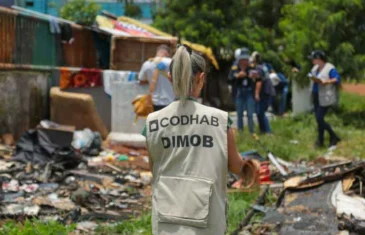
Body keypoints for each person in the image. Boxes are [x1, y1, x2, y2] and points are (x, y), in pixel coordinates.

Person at [143, 45, 256, 235]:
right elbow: (237, 167)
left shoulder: (152, 122)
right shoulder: (220, 120)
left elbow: (153, 168)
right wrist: (251, 167)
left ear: (170, 78)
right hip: (207, 220)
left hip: (166, 218)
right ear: (201, 78)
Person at [309, 50, 341, 148]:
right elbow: (311, 75)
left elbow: (337, 78)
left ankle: (333, 135)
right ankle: (320, 140)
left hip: (325, 97)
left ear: (319, 59)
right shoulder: (315, 68)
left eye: (313, 59)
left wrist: (326, 81)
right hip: (316, 95)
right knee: (319, 119)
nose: (312, 61)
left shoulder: (329, 68)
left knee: (319, 118)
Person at [228, 48, 260, 134]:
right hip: (239, 92)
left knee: (250, 114)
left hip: (249, 92)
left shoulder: (251, 67)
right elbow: (229, 79)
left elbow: (258, 79)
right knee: (239, 114)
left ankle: (251, 132)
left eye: (246, 59)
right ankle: (241, 132)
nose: (244, 61)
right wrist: (237, 76)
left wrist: (252, 76)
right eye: (243, 59)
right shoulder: (235, 68)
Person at [138, 45, 175, 111]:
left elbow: (141, 81)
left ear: (157, 52)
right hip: (171, 102)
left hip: (154, 103)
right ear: (167, 53)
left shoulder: (147, 63)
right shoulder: (172, 62)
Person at [250, 51, 276, 134]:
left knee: (261, 112)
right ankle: (263, 130)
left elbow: (259, 82)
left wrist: (256, 94)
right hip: (267, 91)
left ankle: (268, 131)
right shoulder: (263, 66)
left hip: (264, 92)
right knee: (259, 112)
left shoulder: (258, 68)